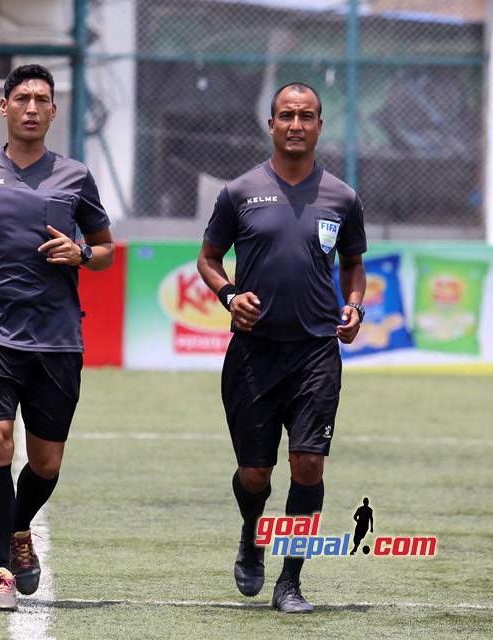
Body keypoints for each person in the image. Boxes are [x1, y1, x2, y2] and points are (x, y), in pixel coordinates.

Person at [0, 64, 115, 611]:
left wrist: (81, 253)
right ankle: (1, 573)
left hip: (57, 339)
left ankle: (19, 526)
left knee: (47, 464)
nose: (32, 107)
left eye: (42, 99)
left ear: (54, 111)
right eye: (22, 98)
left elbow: (104, 249)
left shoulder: (76, 177)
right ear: (4, 106)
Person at [196, 82, 367, 613]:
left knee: (309, 466)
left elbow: (354, 266)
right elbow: (207, 258)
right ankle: (252, 531)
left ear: (320, 126)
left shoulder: (343, 196)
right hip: (253, 353)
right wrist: (228, 295)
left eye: (307, 116)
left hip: (317, 352)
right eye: (286, 115)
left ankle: (290, 582)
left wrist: (355, 307)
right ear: (270, 124)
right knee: (255, 475)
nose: (296, 124)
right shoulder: (240, 191)